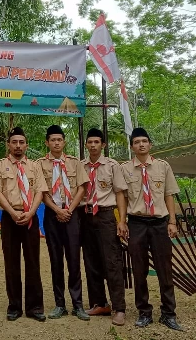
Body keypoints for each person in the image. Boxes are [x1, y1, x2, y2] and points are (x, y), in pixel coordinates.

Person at [118, 127, 182, 331]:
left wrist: (172, 221)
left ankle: (168, 314)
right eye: (137, 142)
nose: (141, 145)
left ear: (150, 144)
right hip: (136, 223)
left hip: (159, 223)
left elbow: (169, 195)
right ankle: (144, 312)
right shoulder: (125, 169)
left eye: (144, 141)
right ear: (132, 147)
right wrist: (122, 221)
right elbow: (123, 197)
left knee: (165, 269)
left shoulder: (163, 167)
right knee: (139, 270)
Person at [0, 127, 47, 322]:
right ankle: (14, 306)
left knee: (33, 262)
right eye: (14, 142)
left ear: (26, 145)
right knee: (11, 263)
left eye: (21, 142)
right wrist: (13, 213)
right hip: (9, 217)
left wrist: (31, 212)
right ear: (8, 145)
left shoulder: (35, 166)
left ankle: (35, 307)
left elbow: (40, 191)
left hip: (31, 217)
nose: (18, 146)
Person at [36, 124, 90, 321]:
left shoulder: (75, 163)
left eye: (59, 139)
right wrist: (58, 210)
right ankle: (60, 304)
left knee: (74, 260)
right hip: (52, 215)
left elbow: (82, 188)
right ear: (47, 142)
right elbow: (41, 192)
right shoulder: (40, 164)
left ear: (64, 141)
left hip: (72, 215)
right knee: (56, 260)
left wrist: (69, 210)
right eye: (53, 140)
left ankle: (78, 304)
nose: (56, 143)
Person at [78, 128, 127, 326]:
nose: (92, 145)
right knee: (91, 261)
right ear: (86, 145)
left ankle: (119, 308)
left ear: (103, 145)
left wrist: (121, 221)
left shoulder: (112, 165)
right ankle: (99, 303)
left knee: (112, 261)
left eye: (96, 142)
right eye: (89, 142)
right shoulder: (80, 166)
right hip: (85, 215)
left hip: (106, 215)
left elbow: (121, 193)